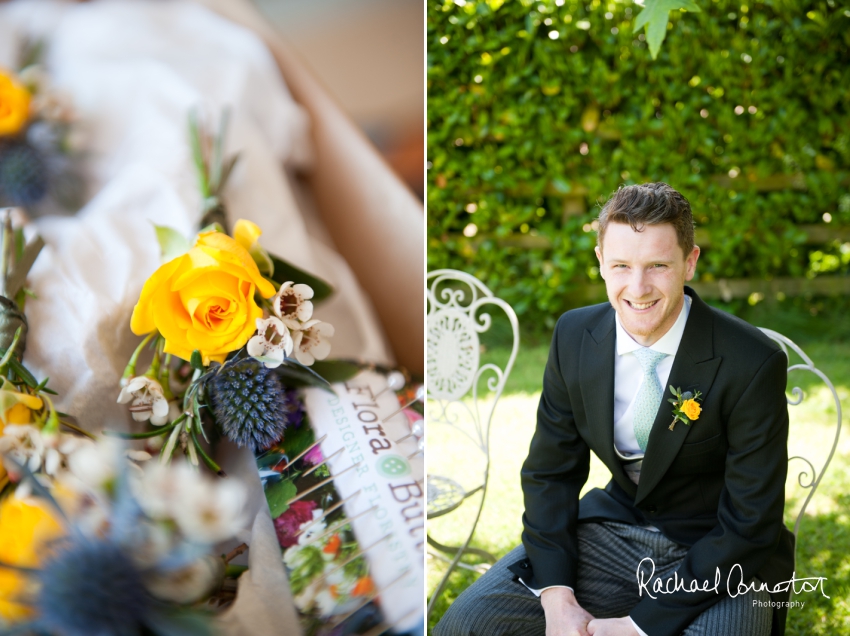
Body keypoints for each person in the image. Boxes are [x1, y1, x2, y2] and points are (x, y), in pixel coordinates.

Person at [434, 182, 794, 636]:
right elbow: (551, 473)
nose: (637, 288)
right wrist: (558, 595)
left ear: (690, 261)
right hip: (613, 532)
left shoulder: (751, 361)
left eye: (658, 266)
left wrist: (639, 626)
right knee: (467, 624)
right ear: (601, 261)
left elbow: (750, 523)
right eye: (621, 265)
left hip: (721, 553)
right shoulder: (574, 335)